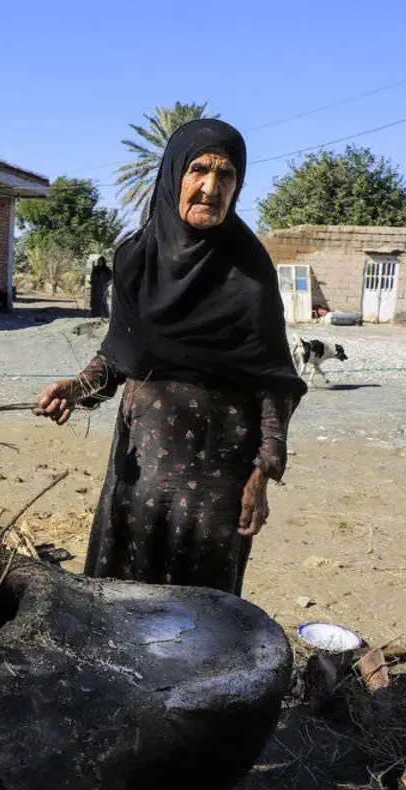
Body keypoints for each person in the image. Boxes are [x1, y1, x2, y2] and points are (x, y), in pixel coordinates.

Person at [33, 119, 307, 597]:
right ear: (173, 175)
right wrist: (74, 389)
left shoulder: (250, 271)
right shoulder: (136, 260)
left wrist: (262, 474)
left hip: (219, 473)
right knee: (125, 596)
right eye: (198, 170)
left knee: (201, 612)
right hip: (143, 460)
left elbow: (273, 381)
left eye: (226, 176)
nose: (210, 188)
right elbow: (121, 354)